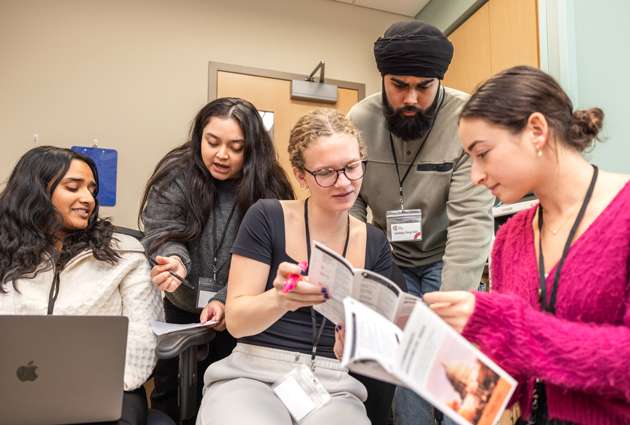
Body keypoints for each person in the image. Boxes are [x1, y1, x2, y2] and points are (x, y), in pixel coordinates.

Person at [425, 66, 630, 424]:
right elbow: (509, 389)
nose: (475, 176)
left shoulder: (623, 215)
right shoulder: (510, 238)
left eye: (483, 153)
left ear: (536, 130)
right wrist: (413, 361)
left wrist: (507, 324)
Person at [194, 108, 392, 425]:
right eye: (326, 172)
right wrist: (279, 299)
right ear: (301, 176)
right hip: (252, 374)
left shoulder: (375, 243)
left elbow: (370, 352)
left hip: (332, 385)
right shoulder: (267, 217)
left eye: (352, 167)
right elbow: (237, 323)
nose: (344, 183)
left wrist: (354, 346)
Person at [346, 20, 495, 424]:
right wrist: (364, 265)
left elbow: (470, 220)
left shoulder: (468, 120)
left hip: (447, 256)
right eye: (399, 85)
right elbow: (352, 201)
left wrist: (450, 306)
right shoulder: (359, 119)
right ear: (382, 78)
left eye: (424, 86)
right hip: (388, 257)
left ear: (439, 81)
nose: (411, 98)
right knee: (404, 361)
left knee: (450, 356)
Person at [139, 97, 294, 421]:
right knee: (169, 395)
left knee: (226, 397)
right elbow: (162, 230)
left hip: (242, 313)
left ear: (252, 149)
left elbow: (272, 258)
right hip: (181, 306)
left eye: (235, 147)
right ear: (199, 139)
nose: (221, 154)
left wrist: (226, 301)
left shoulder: (271, 187)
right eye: (212, 142)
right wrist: (175, 262)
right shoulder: (176, 174)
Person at [0, 146, 163, 425]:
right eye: (73, 187)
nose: (87, 198)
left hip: (107, 391)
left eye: (91, 189)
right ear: (34, 192)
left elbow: (144, 338)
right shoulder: (4, 254)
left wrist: (96, 387)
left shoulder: (126, 253)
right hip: (14, 386)